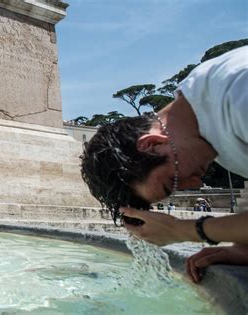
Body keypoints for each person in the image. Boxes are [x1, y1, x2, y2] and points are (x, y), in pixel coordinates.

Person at [80, 46, 248, 283]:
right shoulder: (206, 126)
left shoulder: (238, 93)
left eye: (173, 181)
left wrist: (185, 230)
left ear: (151, 145)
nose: (195, 183)